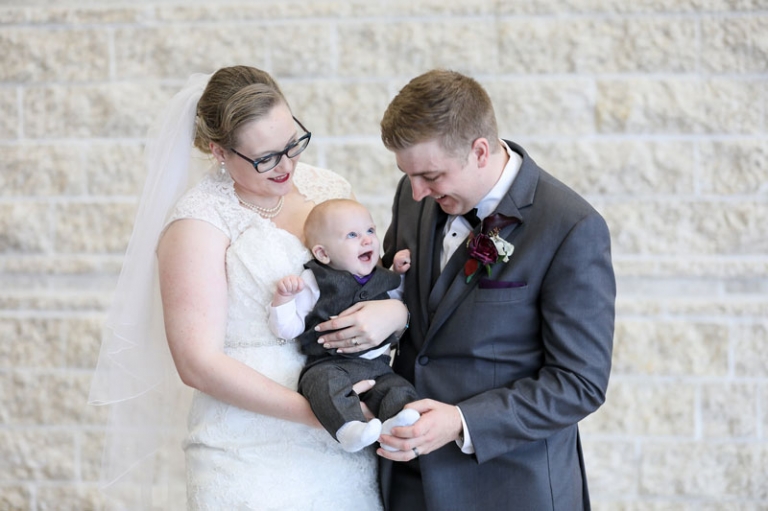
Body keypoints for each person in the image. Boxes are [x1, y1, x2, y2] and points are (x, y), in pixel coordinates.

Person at [88, 66, 408, 511]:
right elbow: (197, 363)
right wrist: (323, 413)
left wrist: (396, 313)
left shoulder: (329, 188)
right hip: (250, 452)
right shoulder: (197, 223)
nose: (287, 166)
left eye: (292, 143)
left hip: (343, 445)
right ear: (219, 152)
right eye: (265, 158)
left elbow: (366, 279)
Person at [377, 69, 616, 510]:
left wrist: (461, 421)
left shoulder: (570, 227)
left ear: (480, 151)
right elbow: (398, 301)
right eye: (407, 175)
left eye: (430, 175)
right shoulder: (413, 196)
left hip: (509, 487)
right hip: (408, 483)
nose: (416, 192)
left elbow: (579, 383)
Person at [268, 198, 419, 453]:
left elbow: (395, 299)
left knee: (398, 389)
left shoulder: (383, 276)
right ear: (323, 253)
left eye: (370, 230)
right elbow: (288, 329)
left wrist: (399, 271)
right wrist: (283, 300)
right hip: (329, 364)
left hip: (378, 368)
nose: (367, 239)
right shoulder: (315, 280)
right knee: (323, 386)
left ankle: (396, 425)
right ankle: (348, 429)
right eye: (352, 235)